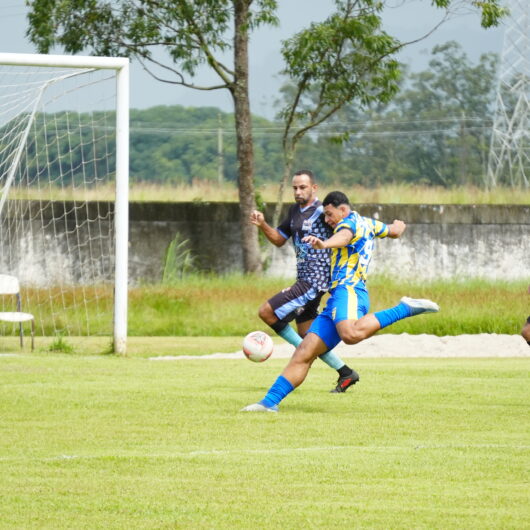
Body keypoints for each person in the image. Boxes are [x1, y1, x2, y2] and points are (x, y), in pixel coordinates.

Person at [243, 190, 440, 412]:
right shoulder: (369, 223)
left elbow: (344, 237)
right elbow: (392, 231)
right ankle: (268, 403)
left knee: (351, 334)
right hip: (337, 297)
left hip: (350, 291)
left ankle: (404, 309)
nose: (326, 220)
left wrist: (324, 245)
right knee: (304, 352)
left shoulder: (348, 225)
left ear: (343, 210)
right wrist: (397, 226)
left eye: (328, 214)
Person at [249, 170, 359, 393]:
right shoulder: (294, 211)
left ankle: (303, 358)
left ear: (314, 188)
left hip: (313, 282)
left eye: (303, 187)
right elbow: (279, 239)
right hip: (303, 279)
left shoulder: (322, 211)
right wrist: (262, 225)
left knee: (266, 312)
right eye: (295, 188)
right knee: (308, 336)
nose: (298, 191)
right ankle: (345, 373)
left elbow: (347, 227)